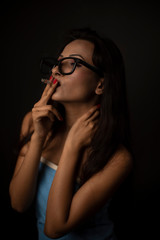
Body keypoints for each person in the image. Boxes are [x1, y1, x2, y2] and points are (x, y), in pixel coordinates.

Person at [9, 28, 133, 240]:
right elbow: (19, 204)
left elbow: (55, 228)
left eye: (72, 63)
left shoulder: (118, 158)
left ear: (100, 84)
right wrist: (39, 136)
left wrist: (72, 146)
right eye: (58, 62)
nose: (56, 70)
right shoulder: (32, 123)